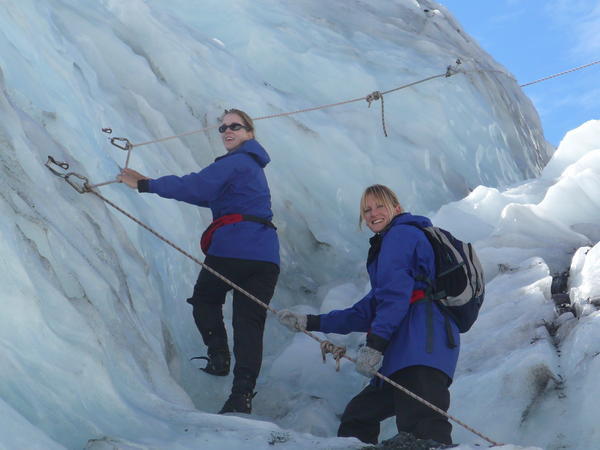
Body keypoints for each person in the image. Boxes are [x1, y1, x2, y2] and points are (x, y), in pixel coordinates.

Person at [118, 109, 280, 415]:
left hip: (234, 246)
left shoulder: (238, 161)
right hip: (266, 257)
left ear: (250, 133)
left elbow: (197, 186)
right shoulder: (252, 168)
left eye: (235, 126)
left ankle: (219, 358)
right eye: (222, 128)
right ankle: (241, 396)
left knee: (205, 299)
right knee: (249, 324)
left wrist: (145, 185)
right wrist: (151, 184)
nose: (227, 131)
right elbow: (207, 196)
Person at [277, 184, 459, 445]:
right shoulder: (392, 243)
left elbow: (396, 297)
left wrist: (375, 346)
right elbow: (366, 310)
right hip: (404, 352)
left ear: (396, 208)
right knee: (359, 416)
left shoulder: (400, 235)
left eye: (379, 206)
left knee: (423, 427)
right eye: (366, 209)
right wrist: (310, 322)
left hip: (421, 346)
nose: (372, 213)